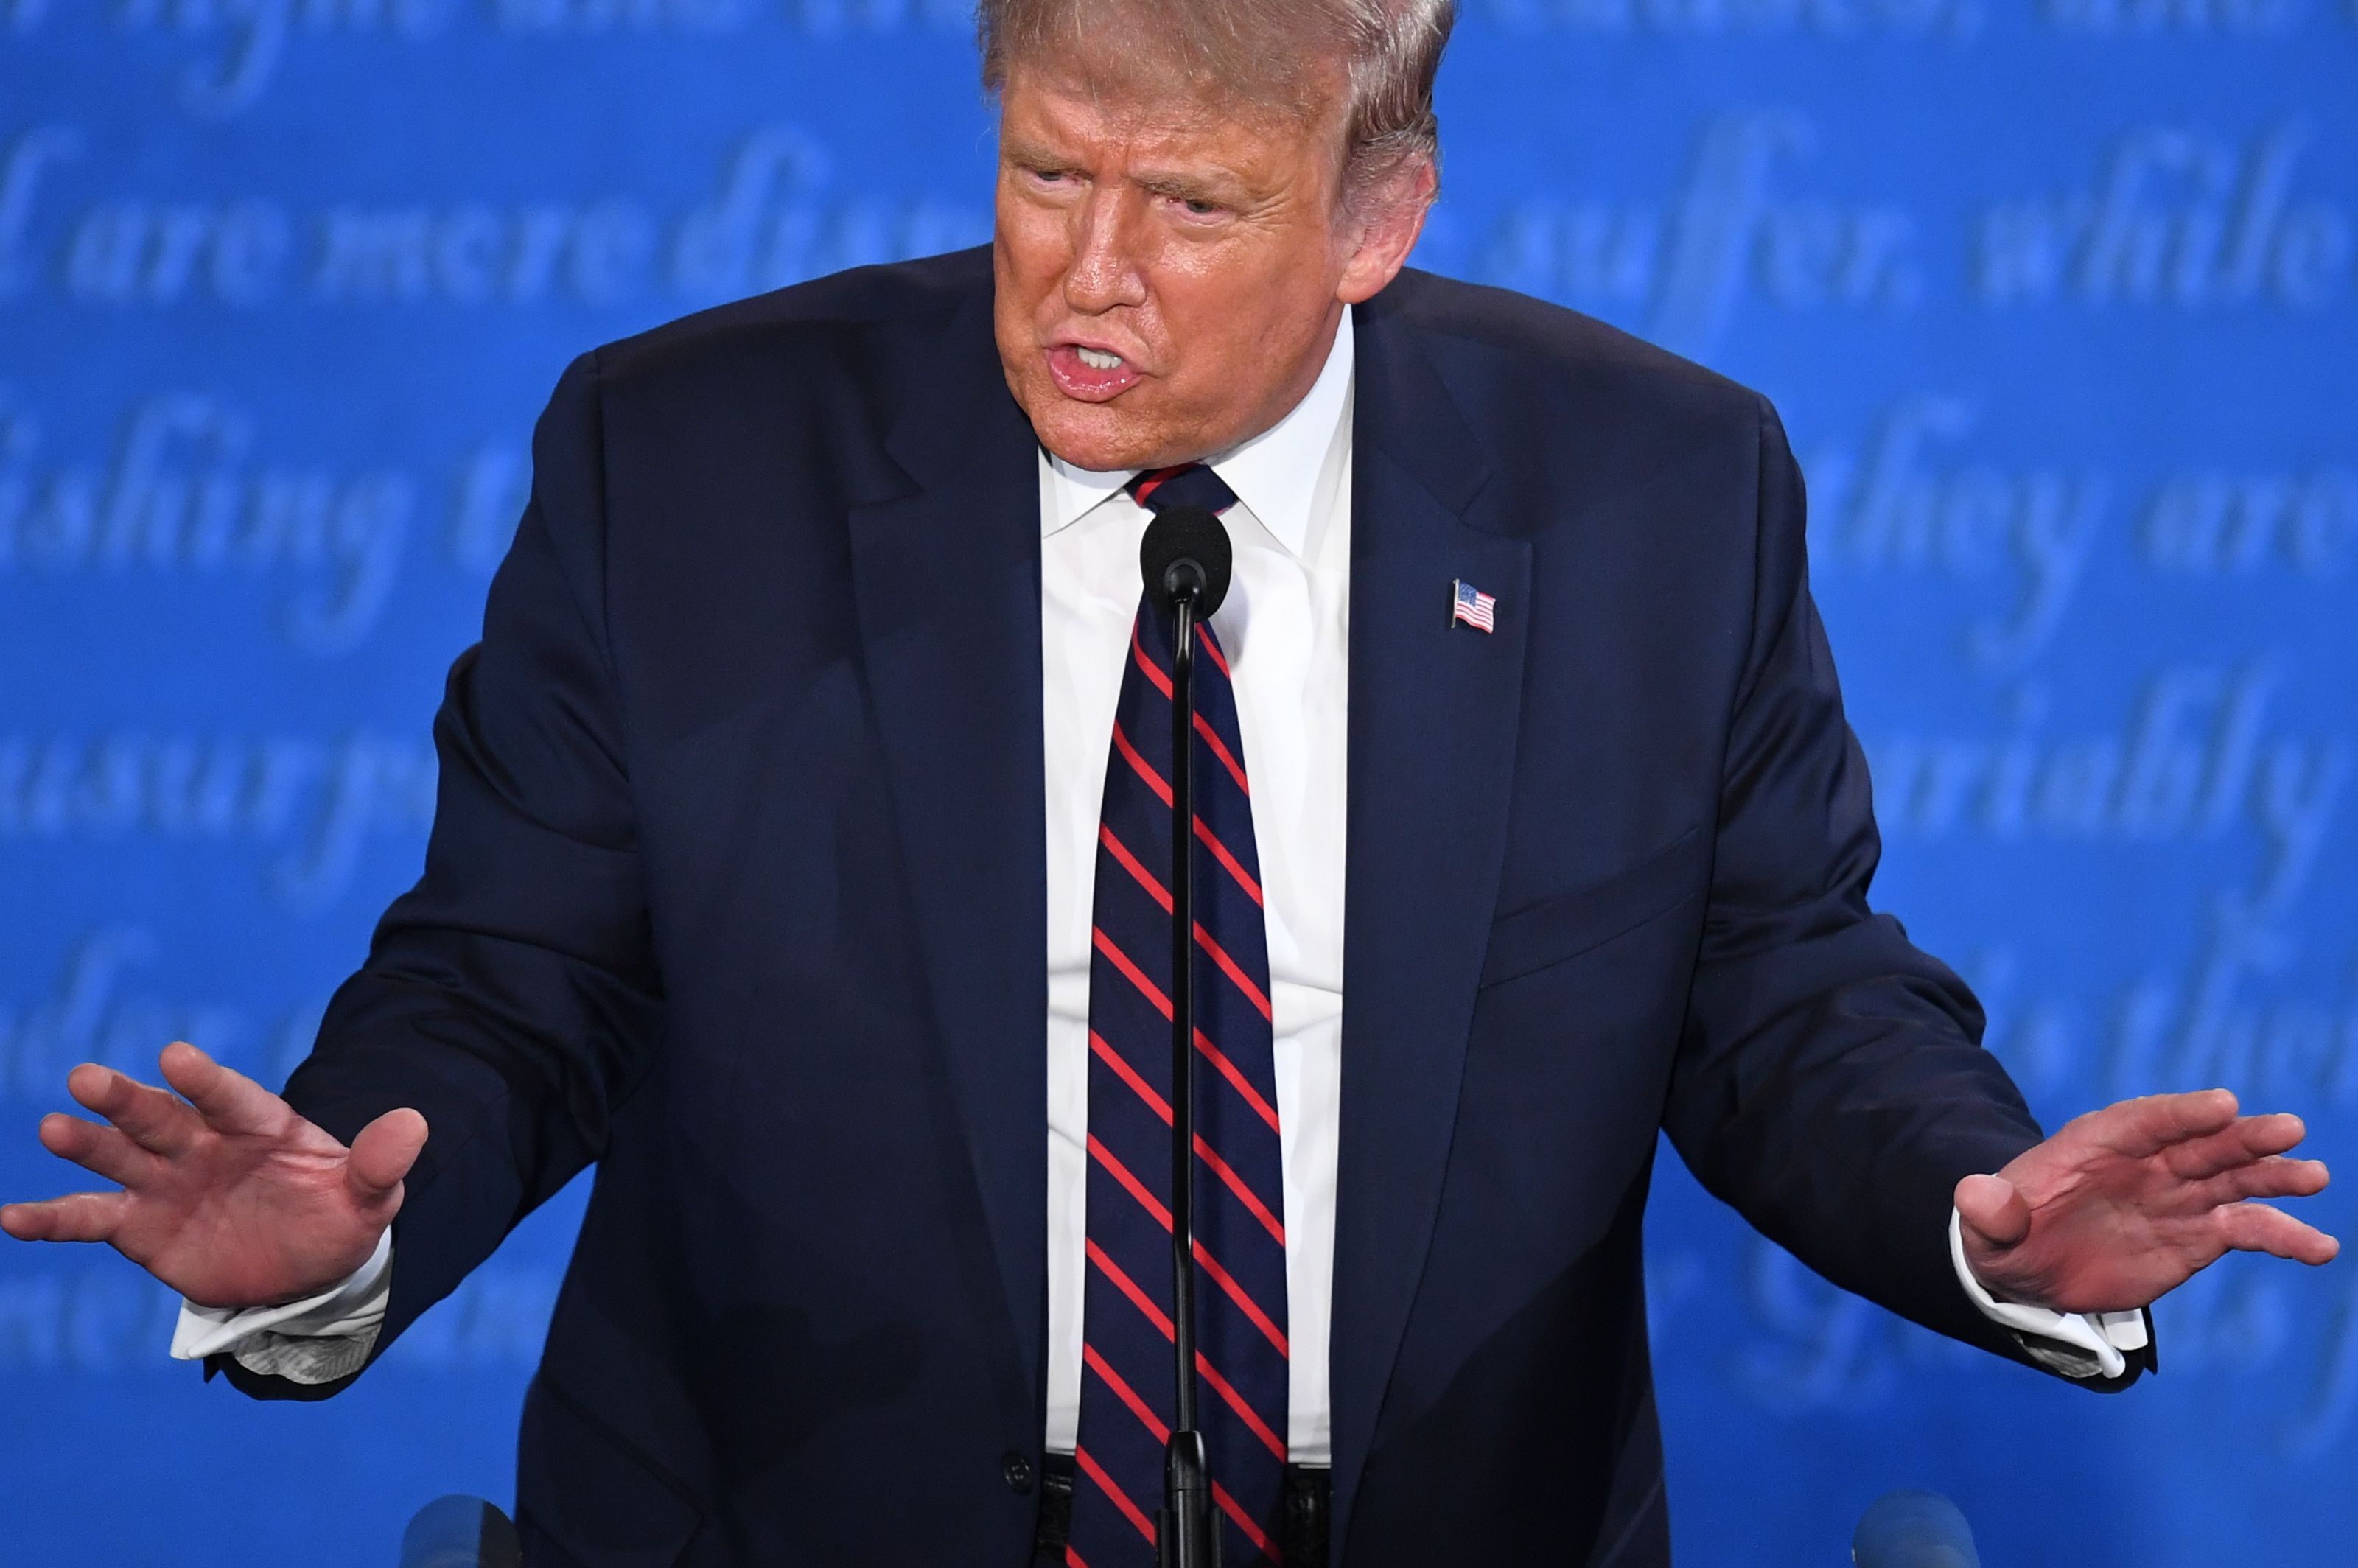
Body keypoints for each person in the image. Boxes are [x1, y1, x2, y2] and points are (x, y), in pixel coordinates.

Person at [2, 1, 2338, 1563]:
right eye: (1047, 176)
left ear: (1375, 217)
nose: (1083, 280)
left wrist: (1974, 1207)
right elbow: (522, 976)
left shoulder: (1661, 494)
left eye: (1193, 207)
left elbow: (1779, 986)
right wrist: (357, 1225)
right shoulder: (684, 461)